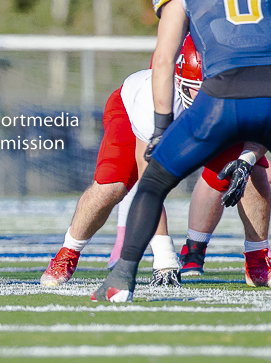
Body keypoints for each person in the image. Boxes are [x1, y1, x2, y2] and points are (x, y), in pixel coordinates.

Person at [93, 0, 271, 302]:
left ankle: (121, 279)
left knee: (153, 182)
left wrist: (161, 126)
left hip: (223, 95)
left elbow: (163, 60)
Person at [41, 36, 270, 288]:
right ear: (180, 80)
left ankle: (257, 257)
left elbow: (261, 132)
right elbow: (149, 178)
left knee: (253, 172)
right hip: (131, 114)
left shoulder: (240, 86)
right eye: (201, 88)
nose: (209, 96)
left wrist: (247, 159)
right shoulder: (154, 98)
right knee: (112, 185)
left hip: (205, 121)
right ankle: (67, 253)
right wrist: (163, 256)